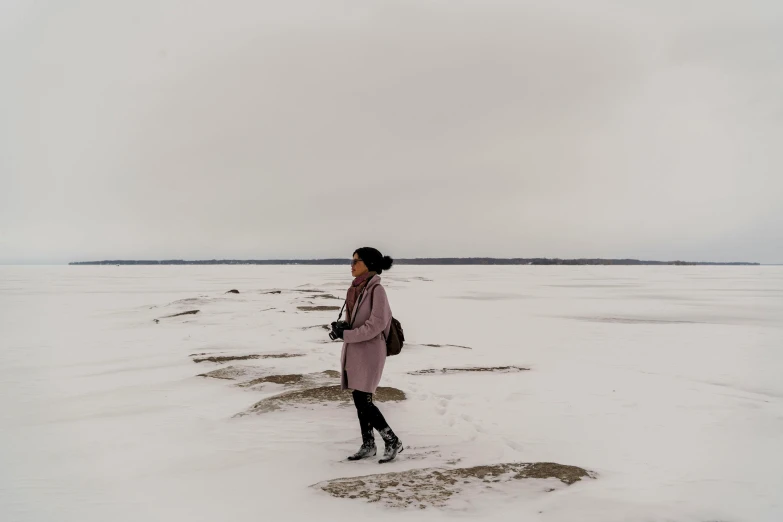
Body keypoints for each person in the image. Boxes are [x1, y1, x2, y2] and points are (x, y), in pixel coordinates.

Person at [329, 247, 403, 463]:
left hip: (370, 350)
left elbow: (377, 324)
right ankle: (368, 444)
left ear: (368, 264)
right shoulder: (356, 288)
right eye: (351, 261)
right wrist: (342, 328)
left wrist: (348, 334)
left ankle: (392, 440)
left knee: (363, 399)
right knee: (359, 397)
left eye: (356, 261)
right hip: (356, 349)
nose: (351, 265)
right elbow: (358, 321)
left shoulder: (377, 290)